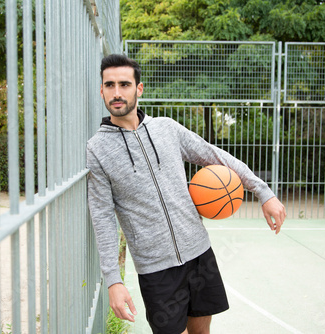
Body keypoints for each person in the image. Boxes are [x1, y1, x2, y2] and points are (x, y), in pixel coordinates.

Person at [86, 54, 286, 334]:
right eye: (109, 85)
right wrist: (113, 280)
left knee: (202, 332)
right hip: (155, 269)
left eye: (124, 84)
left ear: (138, 88)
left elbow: (215, 156)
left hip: (199, 253)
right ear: (102, 90)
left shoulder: (167, 128)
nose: (116, 93)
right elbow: (102, 216)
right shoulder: (97, 149)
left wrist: (263, 191)